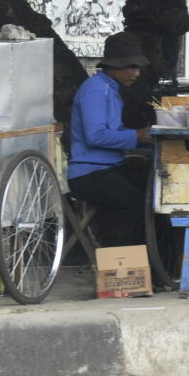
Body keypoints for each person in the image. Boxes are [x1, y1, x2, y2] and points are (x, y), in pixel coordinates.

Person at [68, 32, 154, 248]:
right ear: (114, 66)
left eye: (138, 68)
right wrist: (137, 136)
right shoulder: (95, 90)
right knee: (135, 203)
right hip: (89, 174)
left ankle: (154, 262)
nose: (136, 73)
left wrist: (144, 141)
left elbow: (115, 131)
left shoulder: (111, 89)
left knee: (156, 191)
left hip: (109, 169)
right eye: (131, 67)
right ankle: (121, 263)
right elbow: (96, 136)